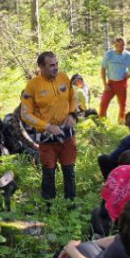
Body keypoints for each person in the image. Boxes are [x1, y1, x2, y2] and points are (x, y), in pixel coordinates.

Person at [20, 51, 78, 201]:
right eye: (52, 65)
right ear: (41, 67)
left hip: (67, 135)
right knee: (48, 173)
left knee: (69, 171)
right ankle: (49, 207)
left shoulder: (64, 78)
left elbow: (73, 98)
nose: (56, 68)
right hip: (46, 138)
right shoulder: (32, 85)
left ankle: (71, 204)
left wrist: (72, 114)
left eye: (57, 64)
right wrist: (46, 126)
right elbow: (25, 114)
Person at [98, 36, 130, 124]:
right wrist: (105, 84)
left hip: (122, 83)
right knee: (103, 102)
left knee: (122, 104)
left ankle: (121, 122)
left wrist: (129, 75)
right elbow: (103, 69)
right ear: (115, 45)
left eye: (123, 45)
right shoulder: (109, 54)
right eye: (120, 45)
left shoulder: (128, 55)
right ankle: (102, 122)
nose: (122, 47)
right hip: (110, 83)